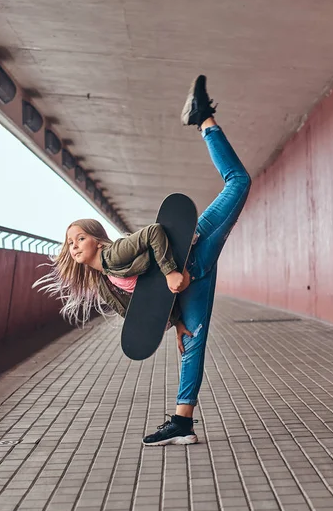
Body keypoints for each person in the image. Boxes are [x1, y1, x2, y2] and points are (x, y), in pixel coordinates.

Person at [34, 75, 251, 446]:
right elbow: (145, 309)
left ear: (96, 239)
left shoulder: (114, 253)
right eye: (70, 242)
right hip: (193, 284)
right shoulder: (105, 285)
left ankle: (203, 120)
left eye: (80, 237)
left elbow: (154, 233)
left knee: (238, 182)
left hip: (191, 253)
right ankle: (182, 422)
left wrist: (169, 271)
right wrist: (178, 322)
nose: (74, 243)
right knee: (191, 342)